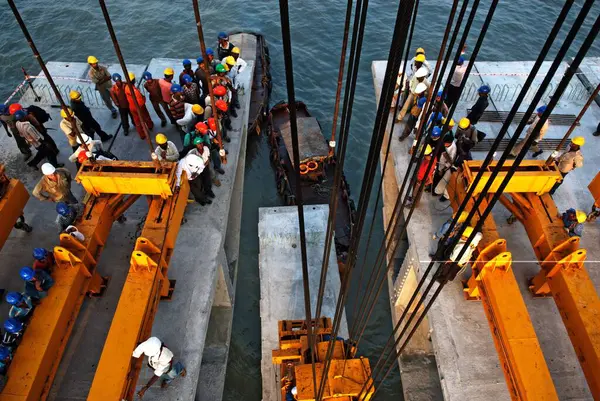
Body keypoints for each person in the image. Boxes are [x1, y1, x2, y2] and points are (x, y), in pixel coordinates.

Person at [124, 72, 154, 139]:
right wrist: (143, 98)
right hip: (139, 107)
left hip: (132, 107)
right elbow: (141, 103)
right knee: (145, 117)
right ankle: (150, 126)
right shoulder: (135, 91)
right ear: (133, 80)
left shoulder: (126, 87)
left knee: (137, 121)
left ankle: (142, 134)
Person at [434, 133, 457, 202]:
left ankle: (445, 195)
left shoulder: (453, 150)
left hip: (449, 166)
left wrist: (443, 169)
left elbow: (451, 162)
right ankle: (438, 191)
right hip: (442, 161)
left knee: (445, 180)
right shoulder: (447, 144)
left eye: (445, 143)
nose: (444, 144)